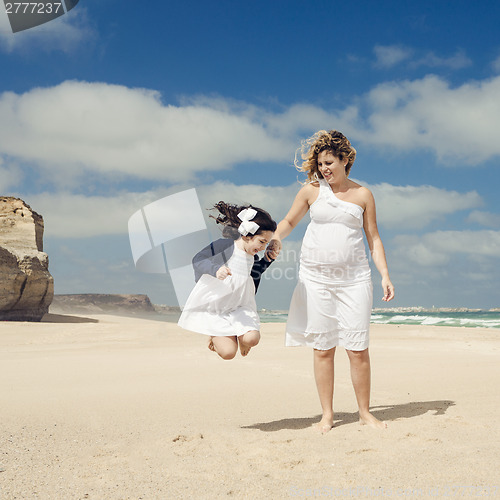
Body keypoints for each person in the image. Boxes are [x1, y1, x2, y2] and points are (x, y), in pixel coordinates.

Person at [268, 130, 395, 432]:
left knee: (357, 348)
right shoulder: (312, 191)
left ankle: (364, 412)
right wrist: (275, 238)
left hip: (355, 280)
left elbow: (373, 239)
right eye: (320, 163)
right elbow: (288, 222)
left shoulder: (364, 195)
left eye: (329, 162)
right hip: (316, 280)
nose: (324, 169)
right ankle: (327, 414)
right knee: (323, 349)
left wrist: (385, 275)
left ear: (345, 160)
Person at [178, 201, 278, 360]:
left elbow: (253, 275)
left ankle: (242, 337)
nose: (264, 247)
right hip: (217, 307)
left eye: (266, 243)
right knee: (228, 353)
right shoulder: (225, 245)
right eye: (262, 242)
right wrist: (216, 269)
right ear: (246, 235)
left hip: (239, 306)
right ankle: (215, 337)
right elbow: (198, 259)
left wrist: (267, 260)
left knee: (252, 339)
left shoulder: (252, 256)